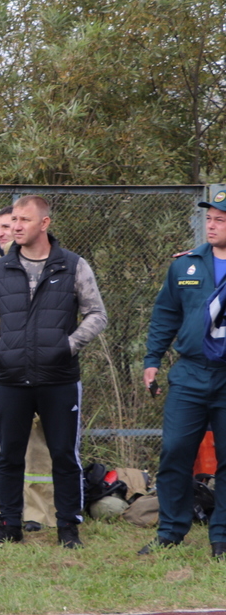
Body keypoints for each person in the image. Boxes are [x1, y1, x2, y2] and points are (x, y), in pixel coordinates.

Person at [0, 195, 107, 549]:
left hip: (59, 379)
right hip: (11, 379)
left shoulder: (73, 265)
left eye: (24, 220)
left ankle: (68, 529)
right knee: (9, 456)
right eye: (13, 220)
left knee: (64, 456)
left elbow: (97, 314)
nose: (16, 227)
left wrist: (68, 345)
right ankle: (8, 525)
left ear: (44, 224)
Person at [138, 197, 226, 561]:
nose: (211, 225)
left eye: (220, 220)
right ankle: (170, 532)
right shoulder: (185, 265)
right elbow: (165, 314)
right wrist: (152, 360)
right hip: (190, 373)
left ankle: (221, 537)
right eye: (210, 218)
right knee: (174, 451)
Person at [0, 206, 56, 530]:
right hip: (4, 372)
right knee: (0, 445)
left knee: (35, 447)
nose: (1, 232)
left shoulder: (43, 264)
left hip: (40, 371)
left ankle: (38, 513)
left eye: (8, 226)